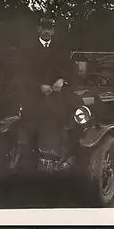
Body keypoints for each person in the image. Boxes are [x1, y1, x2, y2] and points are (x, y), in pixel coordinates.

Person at [11, 16, 82, 169]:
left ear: (53, 31)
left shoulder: (61, 48)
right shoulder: (27, 48)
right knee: (32, 118)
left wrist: (62, 80)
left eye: (50, 29)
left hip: (57, 94)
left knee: (76, 110)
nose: (47, 32)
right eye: (44, 28)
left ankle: (65, 154)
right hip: (34, 94)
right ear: (39, 29)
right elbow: (23, 72)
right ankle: (31, 155)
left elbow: (71, 69)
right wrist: (38, 85)